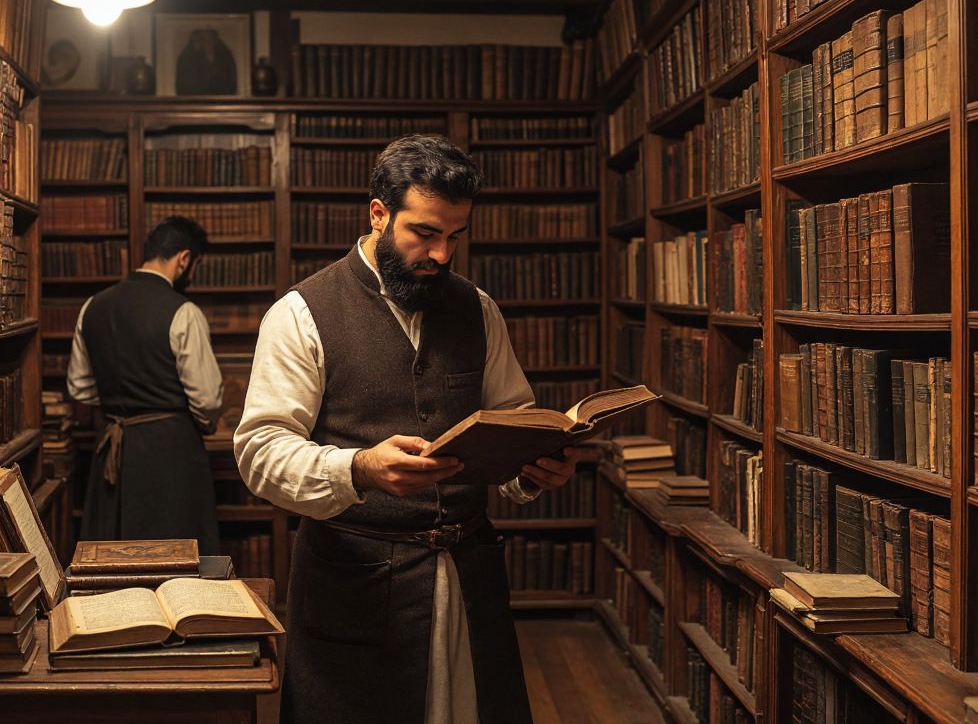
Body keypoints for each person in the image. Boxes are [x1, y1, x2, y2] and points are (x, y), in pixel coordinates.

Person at [234, 134, 591, 724]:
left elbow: (513, 419)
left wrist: (533, 465)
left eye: (455, 236)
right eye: (425, 234)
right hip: (356, 589)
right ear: (378, 213)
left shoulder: (479, 310)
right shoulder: (300, 313)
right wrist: (359, 468)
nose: (442, 255)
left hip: (470, 583)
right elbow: (260, 453)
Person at [69, 216, 224, 553]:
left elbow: (79, 388)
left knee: (113, 563)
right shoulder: (184, 312)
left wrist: (121, 402)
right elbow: (208, 400)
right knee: (175, 561)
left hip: (112, 450)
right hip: (171, 454)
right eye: (194, 265)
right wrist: (199, 425)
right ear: (184, 259)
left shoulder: (91, 307)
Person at [175, 28, 237, 95]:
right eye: (202, 39)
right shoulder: (186, 58)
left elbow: (229, 85)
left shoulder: (224, 55)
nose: (206, 43)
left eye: (209, 38)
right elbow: (185, 87)